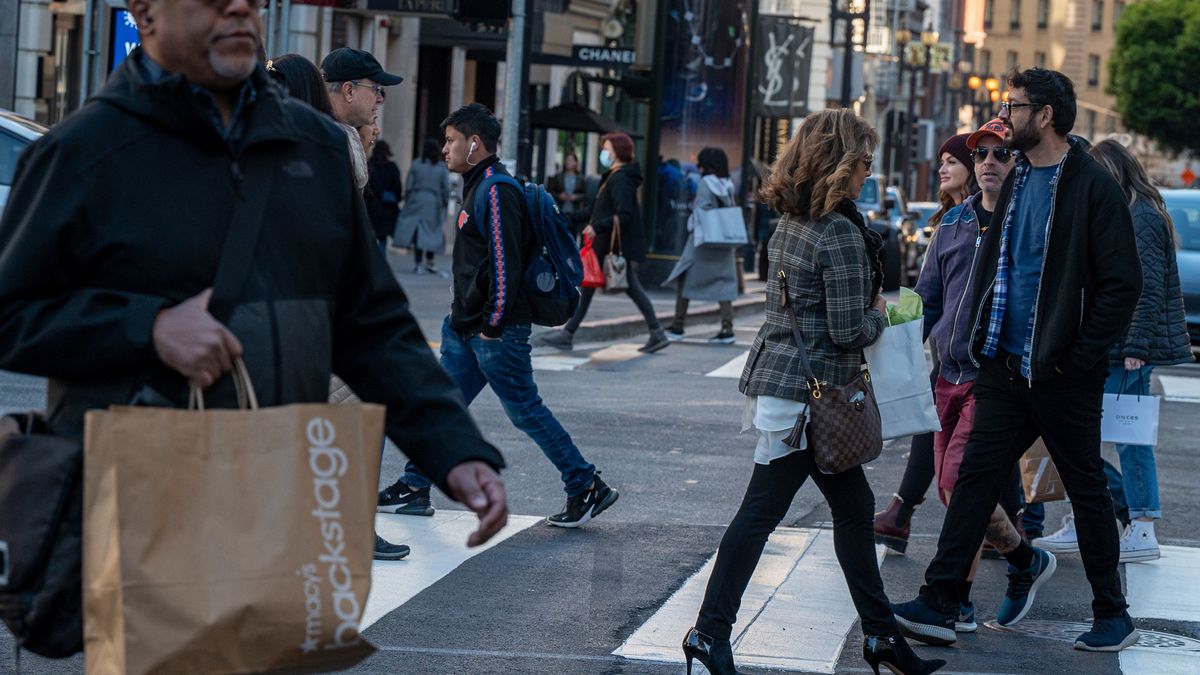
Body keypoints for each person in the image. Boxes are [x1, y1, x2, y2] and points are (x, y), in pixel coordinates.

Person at [0, 0, 509, 570]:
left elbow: (370, 319)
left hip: (269, 503)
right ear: (145, 13)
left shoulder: (313, 147)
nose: (240, 9)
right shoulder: (84, 150)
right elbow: (13, 313)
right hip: (142, 498)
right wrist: (149, 327)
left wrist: (453, 448)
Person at [682, 109, 946, 675]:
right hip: (813, 401)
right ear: (842, 165)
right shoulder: (842, 234)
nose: (869, 173)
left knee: (853, 509)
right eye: (865, 163)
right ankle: (708, 633)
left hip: (791, 392)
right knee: (760, 515)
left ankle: (879, 638)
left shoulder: (792, 223)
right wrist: (882, 314)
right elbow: (850, 329)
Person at [891, 68, 1142, 652]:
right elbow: (992, 264)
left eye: (1016, 106)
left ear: (1046, 115)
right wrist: (976, 334)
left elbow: (1121, 285)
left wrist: (1081, 357)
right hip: (1002, 365)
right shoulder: (1021, 176)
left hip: (1061, 371)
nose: (1008, 113)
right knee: (976, 479)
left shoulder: (1089, 185)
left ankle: (1113, 613)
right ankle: (941, 597)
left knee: (1084, 486)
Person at [379, 104, 620, 528]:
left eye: (452, 141)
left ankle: (585, 485)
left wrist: (492, 325)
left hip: (494, 332)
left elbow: (504, 265)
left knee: (525, 410)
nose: (445, 150)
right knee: (442, 406)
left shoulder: (495, 190)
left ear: (474, 144)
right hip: (464, 328)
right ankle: (415, 485)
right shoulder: (478, 186)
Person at [1033, 139, 1191, 563]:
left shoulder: (1140, 216)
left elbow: (1145, 289)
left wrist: (1136, 346)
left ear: (1113, 170)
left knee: (1128, 441)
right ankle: (1087, 519)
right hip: (1113, 345)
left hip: (1128, 349)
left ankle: (1141, 526)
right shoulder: (1126, 211)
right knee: (1085, 438)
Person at [912, 119, 1029, 634]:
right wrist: (897, 353)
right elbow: (926, 298)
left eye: (1000, 155)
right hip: (947, 375)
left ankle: (953, 600)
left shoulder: (1025, 223)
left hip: (993, 378)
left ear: (1017, 163)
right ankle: (1025, 560)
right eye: (981, 153)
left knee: (961, 484)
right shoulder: (954, 224)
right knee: (951, 489)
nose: (988, 163)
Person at [873, 133, 978, 555]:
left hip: (971, 354)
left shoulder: (979, 220)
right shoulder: (948, 219)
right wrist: (900, 329)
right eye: (942, 161)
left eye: (954, 160)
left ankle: (1013, 534)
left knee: (968, 446)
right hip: (947, 349)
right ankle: (901, 513)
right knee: (933, 427)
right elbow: (928, 292)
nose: (943, 168)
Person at [537, 133, 668, 353]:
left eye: (606, 149)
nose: (603, 153)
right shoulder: (615, 175)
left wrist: (597, 227)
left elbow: (623, 214)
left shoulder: (620, 178)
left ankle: (656, 332)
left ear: (617, 151)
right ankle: (568, 334)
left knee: (603, 286)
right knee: (592, 287)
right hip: (606, 244)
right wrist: (564, 217)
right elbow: (597, 210)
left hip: (610, 245)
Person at [663, 147, 741, 345]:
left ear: (708, 165)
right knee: (724, 284)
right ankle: (727, 328)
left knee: (685, 277)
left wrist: (692, 221)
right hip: (723, 242)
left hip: (703, 241)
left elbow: (702, 210)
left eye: (701, 163)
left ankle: (678, 324)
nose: (699, 167)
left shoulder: (706, 183)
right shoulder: (727, 184)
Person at [394, 138, 451, 275]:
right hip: (434, 202)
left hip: (417, 200)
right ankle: (430, 262)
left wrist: (408, 199)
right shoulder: (441, 167)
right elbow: (446, 188)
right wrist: (444, 201)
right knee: (432, 232)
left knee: (418, 232)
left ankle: (418, 263)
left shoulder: (416, 164)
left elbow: (409, 185)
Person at [366, 140, 404, 256]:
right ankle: (381, 264)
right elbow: (398, 188)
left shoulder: (369, 166)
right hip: (388, 208)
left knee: (370, 236)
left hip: (372, 207)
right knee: (382, 238)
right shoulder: (392, 167)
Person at [545, 151, 589, 236]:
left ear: (576, 163)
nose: (568, 162)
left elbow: (585, 195)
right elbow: (549, 192)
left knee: (572, 236)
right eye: (567, 160)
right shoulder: (558, 176)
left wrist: (576, 197)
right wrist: (559, 196)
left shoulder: (581, 178)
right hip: (559, 211)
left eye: (571, 160)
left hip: (575, 214)